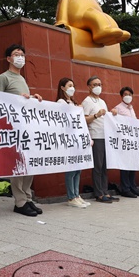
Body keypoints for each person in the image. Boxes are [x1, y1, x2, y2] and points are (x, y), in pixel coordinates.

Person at [0, 44, 43, 216]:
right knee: (18, 166)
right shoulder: (3, 78)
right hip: (12, 129)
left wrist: (33, 98)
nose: (20, 57)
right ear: (8, 58)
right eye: (16, 54)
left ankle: (28, 198)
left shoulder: (22, 79)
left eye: (22, 54)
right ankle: (20, 201)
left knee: (29, 164)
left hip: (26, 128)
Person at [81, 76, 119, 203]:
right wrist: (96, 115)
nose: (97, 87)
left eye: (99, 84)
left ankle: (105, 191)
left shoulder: (102, 101)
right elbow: (84, 119)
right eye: (94, 84)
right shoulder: (87, 101)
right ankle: (98, 193)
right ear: (89, 86)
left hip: (105, 136)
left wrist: (112, 113)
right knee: (97, 166)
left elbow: (106, 117)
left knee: (104, 167)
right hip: (96, 136)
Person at [56, 78, 90, 208]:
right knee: (71, 170)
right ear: (62, 88)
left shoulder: (74, 102)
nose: (72, 88)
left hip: (78, 139)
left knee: (78, 169)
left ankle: (76, 195)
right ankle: (71, 197)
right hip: (69, 139)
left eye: (73, 85)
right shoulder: (61, 102)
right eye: (69, 85)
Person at [113, 86, 139, 198]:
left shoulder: (131, 108)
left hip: (133, 141)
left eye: (130, 94)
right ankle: (125, 188)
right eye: (125, 94)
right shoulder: (118, 108)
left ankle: (133, 187)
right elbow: (114, 121)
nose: (128, 96)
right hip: (124, 141)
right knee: (125, 165)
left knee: (133, 164)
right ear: (121, 96)